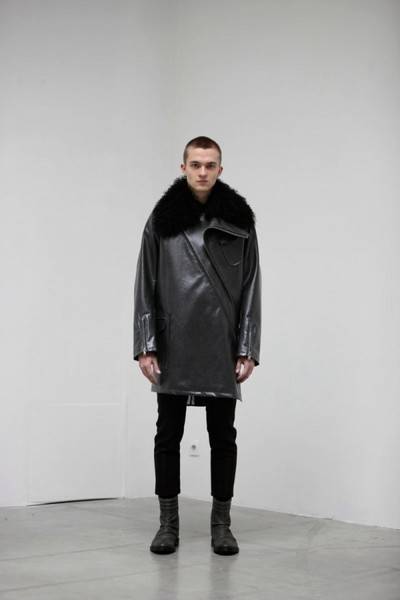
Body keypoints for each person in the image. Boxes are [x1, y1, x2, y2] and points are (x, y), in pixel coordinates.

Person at [133, 136, 261, 555]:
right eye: (195, 164)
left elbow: (251, 287)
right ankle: (167, 524)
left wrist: (247, 348)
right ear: (183, 167)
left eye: (210, 165)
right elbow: (145, 283)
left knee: (223, 437)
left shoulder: (239, 223)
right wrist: (146, 346)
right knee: (167, 435)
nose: (202, 172)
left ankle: (221, 525)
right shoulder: (161, 220)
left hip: (220, 343)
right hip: (174, 343)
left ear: (220, 170)